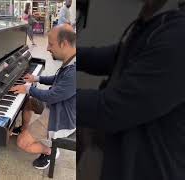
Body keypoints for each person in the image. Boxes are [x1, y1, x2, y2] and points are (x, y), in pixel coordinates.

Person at [77, 0, 185, 180]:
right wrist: (70, 53)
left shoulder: (178, 36)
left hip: (150, 168)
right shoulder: (160, 21)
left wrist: (56, 97)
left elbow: (110, 110)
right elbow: (120, 57)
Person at [10, 24, 76, 169]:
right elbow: (57, 79)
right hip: (57, 105)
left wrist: (28, 88)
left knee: (22, 142)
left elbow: (51, 96)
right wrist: (37, 79)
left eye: (51, 44)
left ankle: (50, 152)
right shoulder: (71, 59)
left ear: (64, 44)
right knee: (29, 102)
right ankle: (25, 129)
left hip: (61, 116)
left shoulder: (74, 71)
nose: (47, 48)